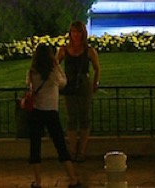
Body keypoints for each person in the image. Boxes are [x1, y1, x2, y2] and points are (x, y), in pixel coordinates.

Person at [25, 43, 79, 188]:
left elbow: (28, 86)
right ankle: (73, 178)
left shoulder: (32, 71)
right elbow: (63, 83)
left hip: (36, 111)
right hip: (51, 111)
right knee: (60, 145)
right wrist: (58, 65)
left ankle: (38, 181)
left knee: (35, 146)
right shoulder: (54, 71)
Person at [57, 20, 101, 163]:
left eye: (78, 32)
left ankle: (80, 151)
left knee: (84, 117)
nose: (76, 35)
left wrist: (94, 83)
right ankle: (74, 150)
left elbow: (97, 68)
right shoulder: (64, 50)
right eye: (74, 32)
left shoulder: (89, 51)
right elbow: (55, 66)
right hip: (69, 85)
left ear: (83, 33)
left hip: (83, 85)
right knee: (72, 118)